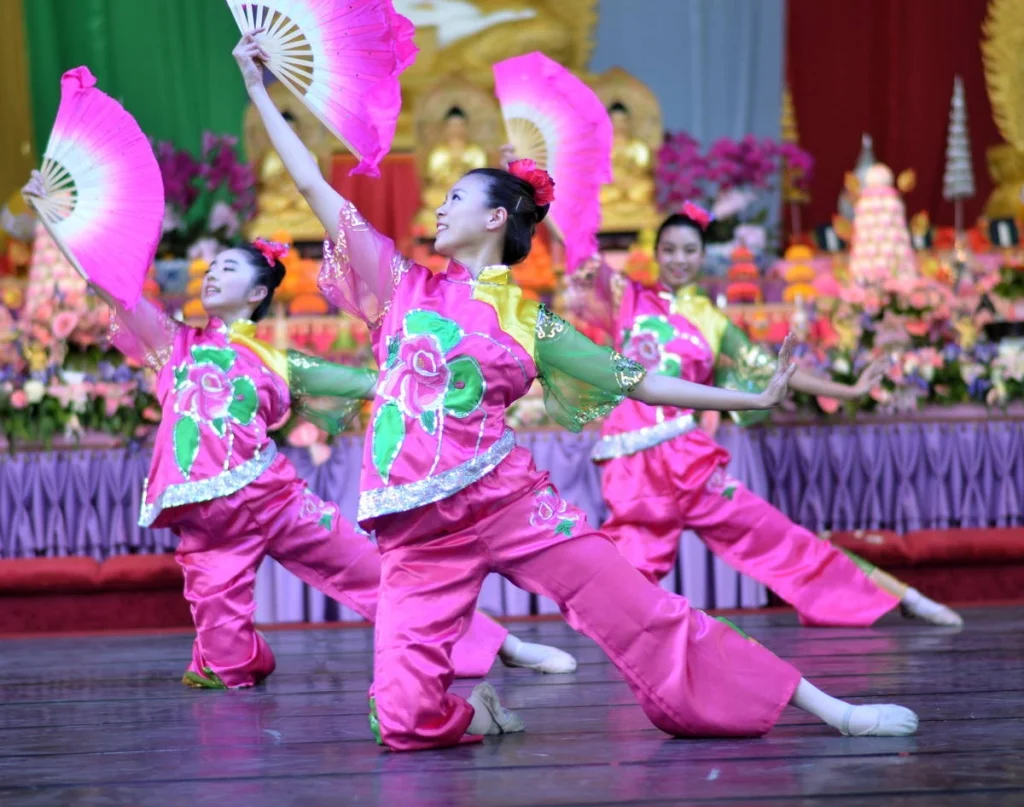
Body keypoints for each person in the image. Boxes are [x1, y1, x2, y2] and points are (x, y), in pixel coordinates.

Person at [235, 31, 919, 750]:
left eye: (456, 197)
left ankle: (823, 705)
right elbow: (314, 188)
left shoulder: (532, 323)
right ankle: (481, 713)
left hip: (508, 504)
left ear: (496, 218)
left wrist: (749, 399)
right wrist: (258, 90)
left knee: (646, 612)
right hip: (418, 529)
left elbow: (638, 379)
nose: (439, 208)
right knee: (402, 721)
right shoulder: (401, 285)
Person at [22, 173, 575, 689]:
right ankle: (243, 659)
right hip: (208, 523)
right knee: (226, 666)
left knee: (379, 576)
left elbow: (379, 382)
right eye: (210, 268)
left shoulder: (279, 361)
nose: (212, 274)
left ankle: (502, 644)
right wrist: (54, 217)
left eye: (228, 269)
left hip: (277, 500)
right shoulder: (172, 345)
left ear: (256, 293)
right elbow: (109, 285)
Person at [566, 203, 962, 628]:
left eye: (689, 251)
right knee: (626, 568)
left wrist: (849, 390)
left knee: (774, 533)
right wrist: (532, 188)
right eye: (670, 250)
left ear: (703, 256)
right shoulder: (626, 297)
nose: (679, 259)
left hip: (689, 461)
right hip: (632, 464)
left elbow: (775, 371)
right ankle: (610, 635)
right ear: (657, 254)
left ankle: (897, 596)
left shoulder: (714, 323)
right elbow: (575, 245)